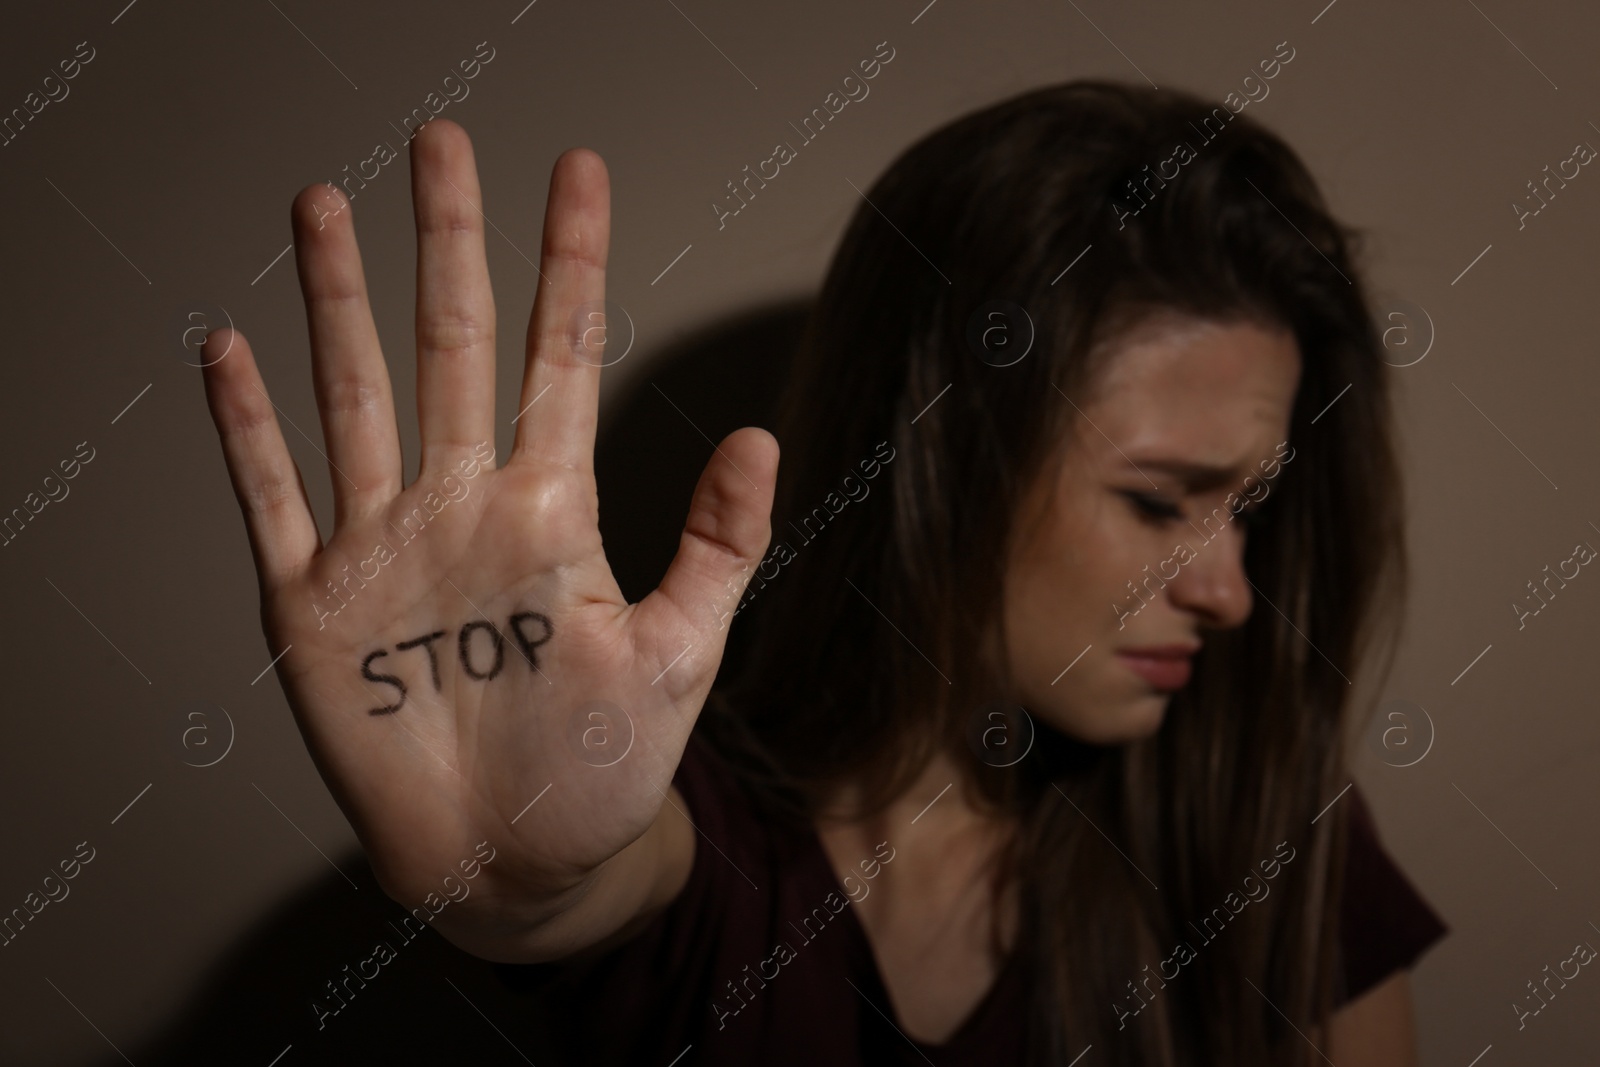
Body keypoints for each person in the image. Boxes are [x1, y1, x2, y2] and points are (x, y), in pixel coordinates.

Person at [198, 78, 1447, 1065]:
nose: (1228, 589)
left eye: (1251, 507)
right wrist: (520, 873)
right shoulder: (703, 839)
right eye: (1159, 499)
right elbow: (594, 883)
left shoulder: (1261, 817)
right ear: (938, 458)